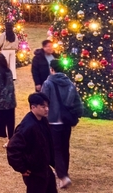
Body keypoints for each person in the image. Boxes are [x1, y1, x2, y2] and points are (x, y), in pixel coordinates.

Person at [41, 60, 83, 189]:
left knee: (56, 149)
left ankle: (62, 176)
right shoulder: (70, 83)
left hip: (53, 121)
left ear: (52, 69)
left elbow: (43, 101)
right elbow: (77, 102)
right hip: (66, 121)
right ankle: (64, 172)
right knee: (65, 148)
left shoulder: (48, 83)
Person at [6, 93, 57, 193]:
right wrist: (22, 168)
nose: (47, 109)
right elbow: (12, 148)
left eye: (47, 106)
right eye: (43, 106)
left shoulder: (42, 120)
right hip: (34, 172)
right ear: (33, 107)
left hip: (44, 168)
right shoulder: (27, 127)